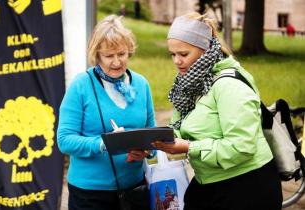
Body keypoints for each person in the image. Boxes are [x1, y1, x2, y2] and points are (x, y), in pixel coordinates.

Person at [153, 12, 283, 210]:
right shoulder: (188, 84)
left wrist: (189, 147)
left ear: (206, 49)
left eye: (183, 54)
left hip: (247, 186)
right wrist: (156, 142)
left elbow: (242, 147)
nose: (176, 61)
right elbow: (180, 127)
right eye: (173, 54)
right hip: (209, 182)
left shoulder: (230, 85)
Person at [57, 15, 155, 210]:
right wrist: (104, 143)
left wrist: (146, 150)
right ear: (97, 55)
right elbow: (64, 140)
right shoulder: (81, 85)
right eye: (109, 56)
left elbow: (151, 132)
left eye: (122, 54)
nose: (117, 62)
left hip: (134, 190)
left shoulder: (142, 84)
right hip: (90, 195)